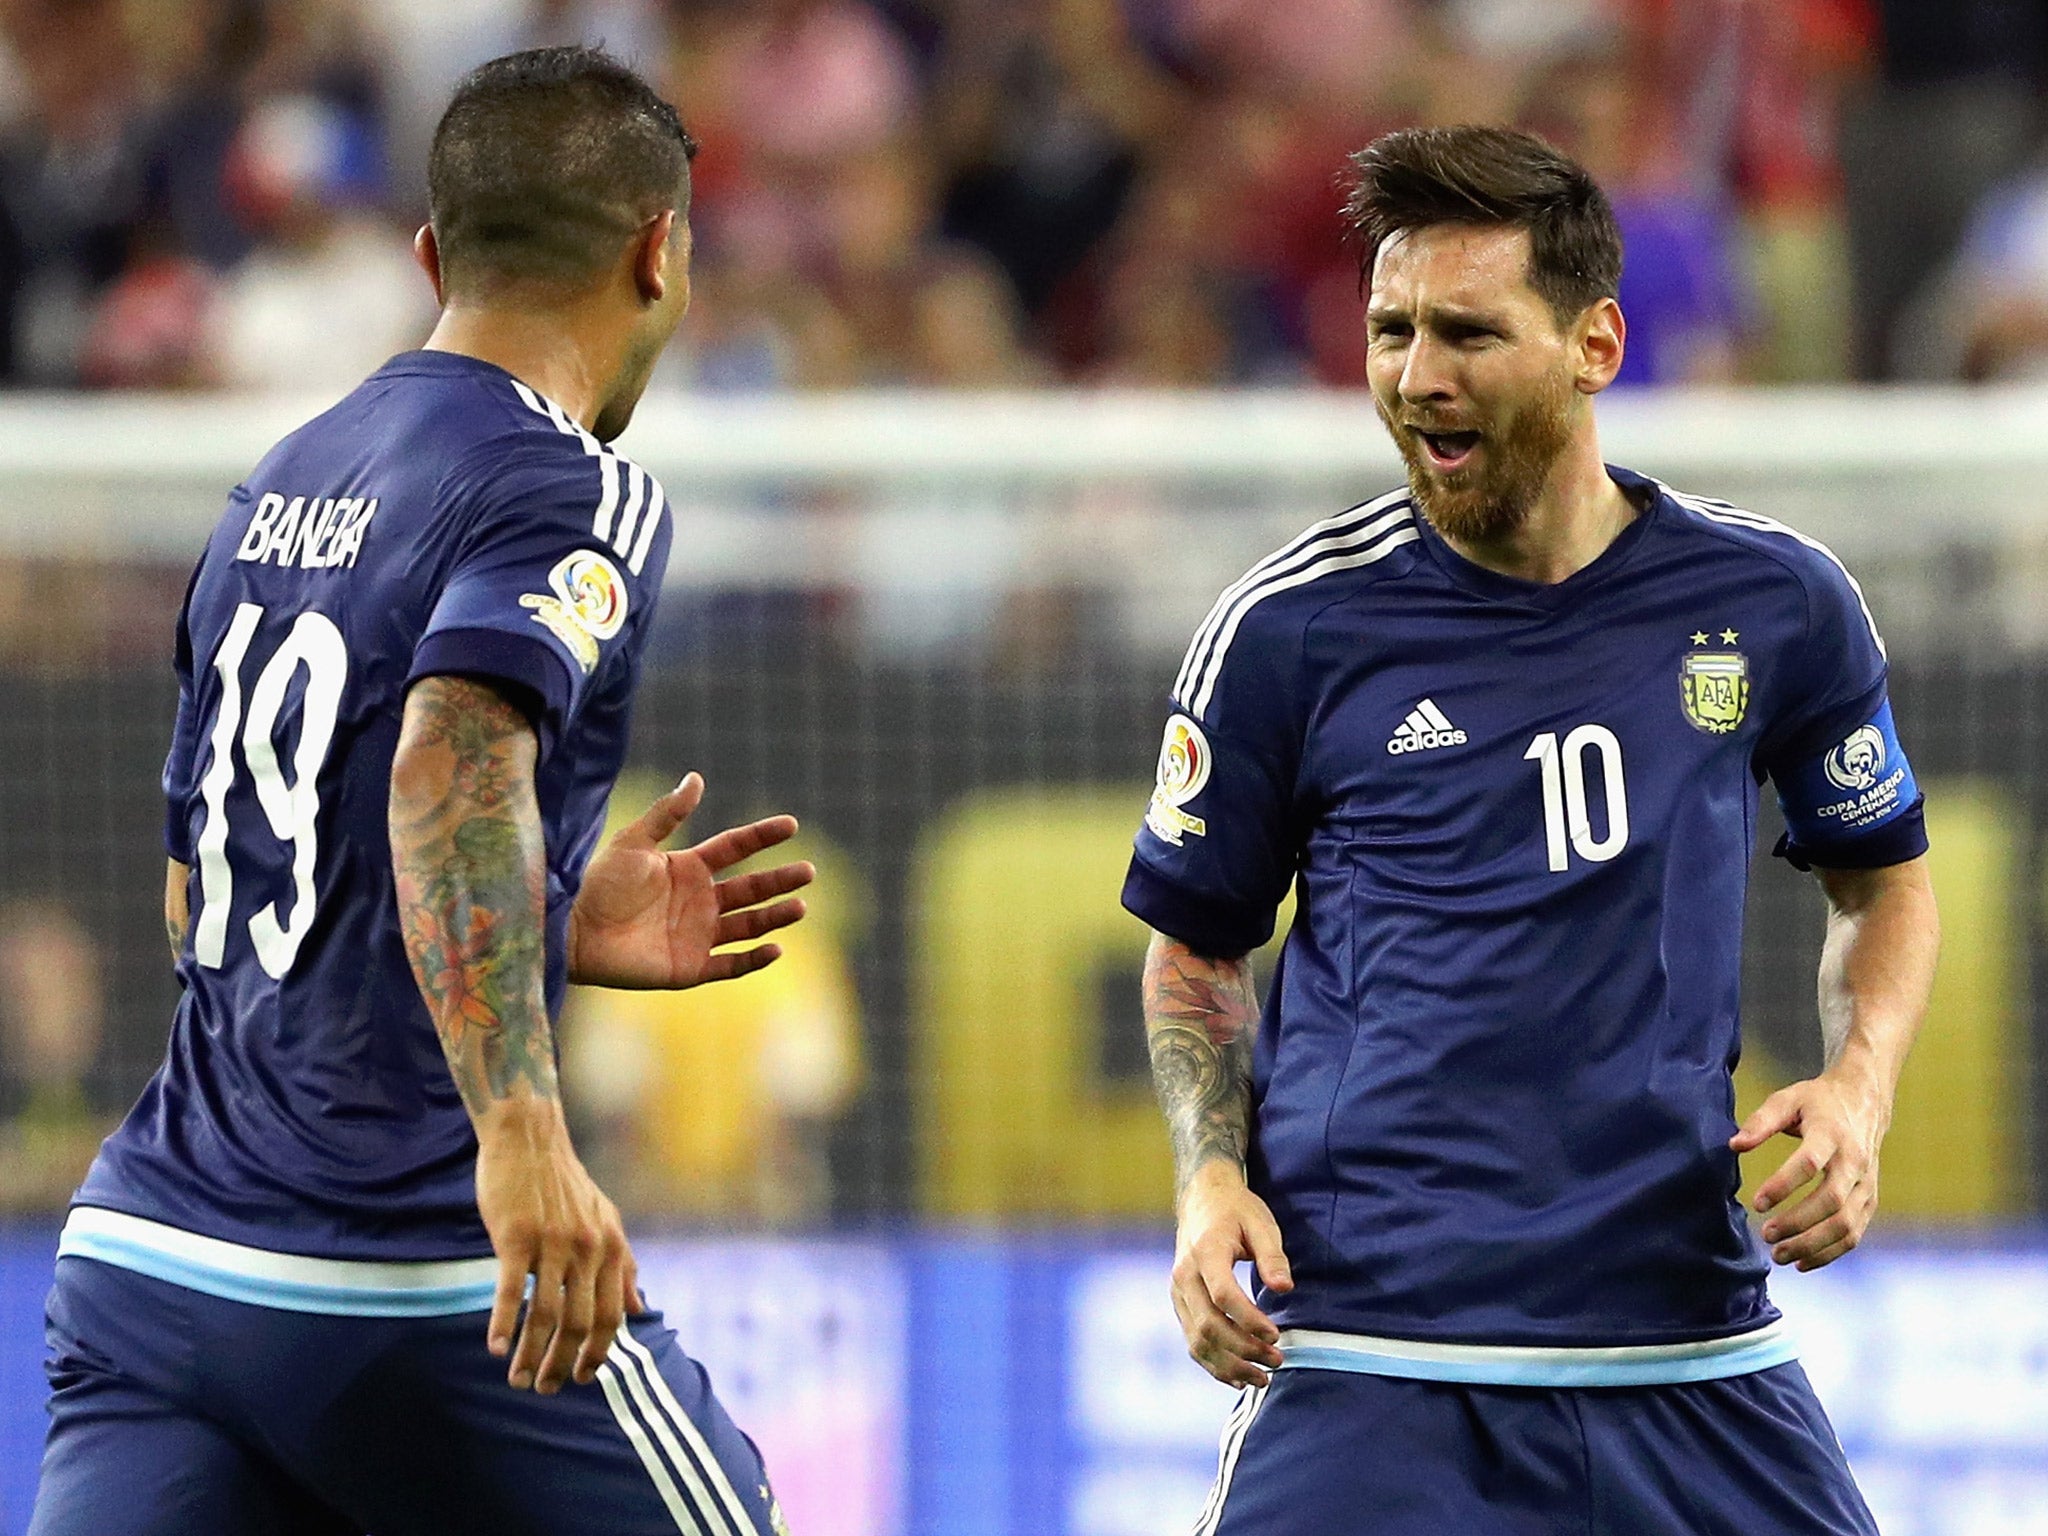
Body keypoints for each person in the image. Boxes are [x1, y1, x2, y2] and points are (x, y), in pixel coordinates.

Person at [31, 46, 810, 1536]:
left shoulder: (278, 477)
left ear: (431, 255)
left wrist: (545, 913)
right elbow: (452, 753)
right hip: (401, 1271)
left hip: (151, 1263)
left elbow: (206, 885)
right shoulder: (570, 485)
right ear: (661, 252)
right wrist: (524, 1133)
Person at [1122, 124, 1939, 1536]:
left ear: (1595, 345)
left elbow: (1886, 887)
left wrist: (1859, 1091)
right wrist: (1205, 1186)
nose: (1415, 375)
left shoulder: (1776, 603)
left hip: (1684, 1339)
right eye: (1390, 330)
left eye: (1465, 333)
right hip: (1374, 1348)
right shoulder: (1290, 630)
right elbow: (1196, 951)